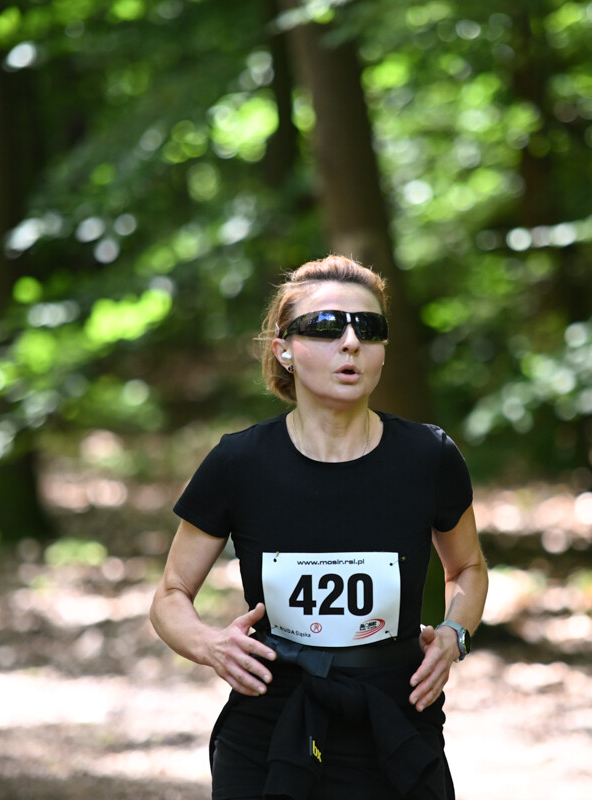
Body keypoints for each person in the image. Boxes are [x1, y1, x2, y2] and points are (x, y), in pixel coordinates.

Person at [150, 255, 488, 799]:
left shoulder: (429, 456)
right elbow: (170, 594)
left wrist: (455, 635)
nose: (350, 342)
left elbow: (468, 567)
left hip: (395, 717)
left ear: (382, 352)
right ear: (283, 349)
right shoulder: (239, 462)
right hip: (272, 718)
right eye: (326, 327)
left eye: (368, 328)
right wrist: (211, 646)